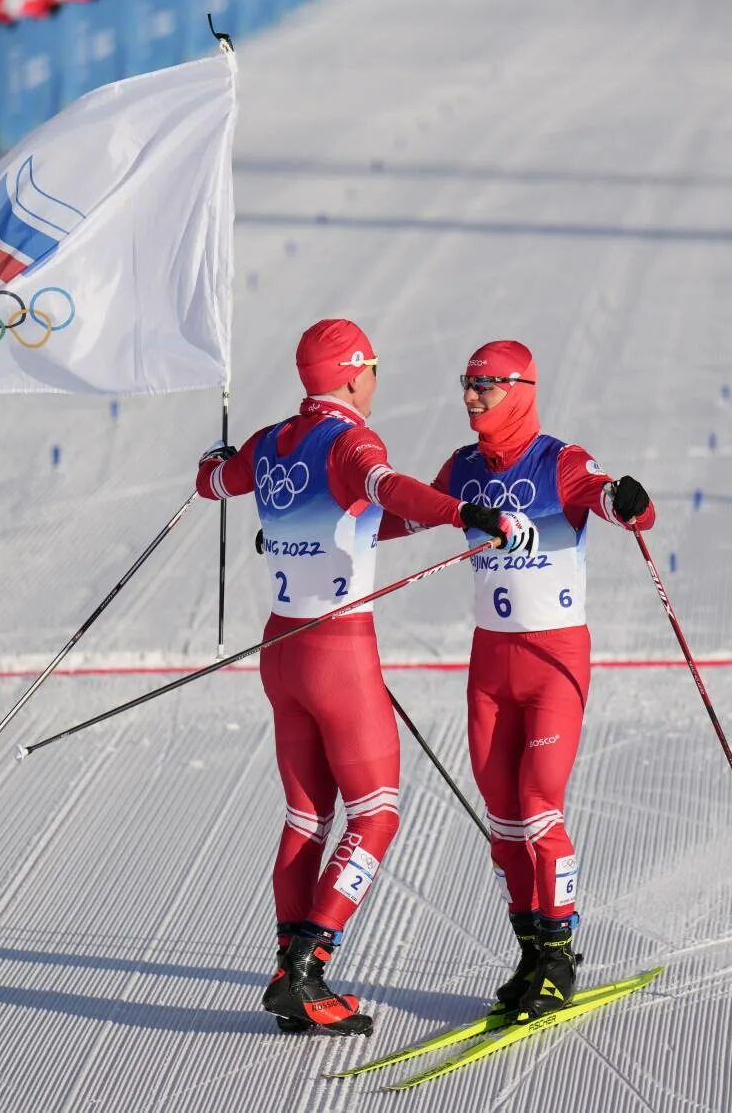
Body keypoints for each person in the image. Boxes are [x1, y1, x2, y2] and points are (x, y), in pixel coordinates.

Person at [195, 319, 531, 1036]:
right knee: (375, 815)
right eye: (373, 366)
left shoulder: (269, 442)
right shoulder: (352, 441)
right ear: (351, 375)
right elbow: (390, 489)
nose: (377, 378)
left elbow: (211, 483)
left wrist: (218, 460)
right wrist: (464, 511)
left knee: (305, 818)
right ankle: (309, 966)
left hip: (281, 647)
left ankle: (293, 974)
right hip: (336, 652)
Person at [379, 339, 656, 1019]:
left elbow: (618, 503)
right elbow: (400, 517)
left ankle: (561, 956)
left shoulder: (557, 460)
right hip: (490, 666)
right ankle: (531, 954)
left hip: (553, 660)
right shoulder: (463, 469)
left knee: (538, 808)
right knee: (503, 822)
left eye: (488, 385)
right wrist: (330, 532)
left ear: (522, 388)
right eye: (468, 384)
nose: (473, 396)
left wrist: (629, 500)